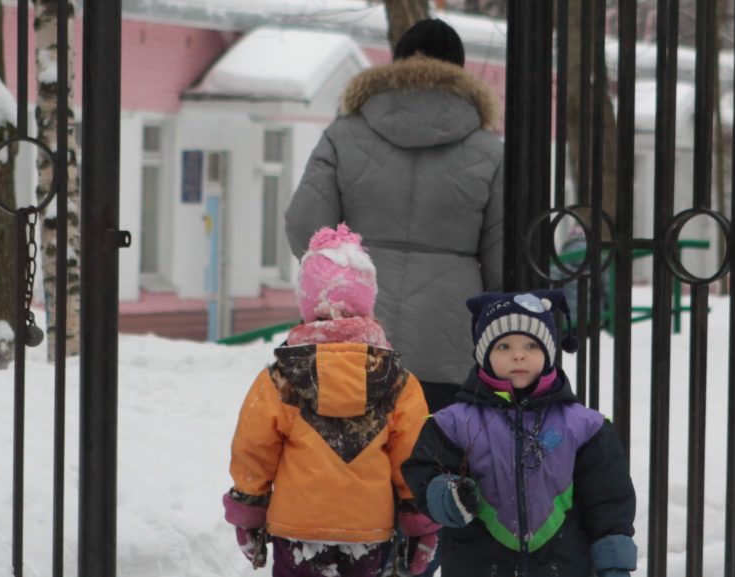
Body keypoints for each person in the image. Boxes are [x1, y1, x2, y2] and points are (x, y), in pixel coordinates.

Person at [285, 18, 505, 416]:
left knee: (358, 460)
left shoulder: (343, 134)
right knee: (437, 463)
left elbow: (306, 223)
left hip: (355, 334)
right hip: (449, 339)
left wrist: (340, 281)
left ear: (397, 63)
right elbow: (502, 253)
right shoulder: (489, 150)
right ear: (459, 69)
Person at [223, 224, 440, 577]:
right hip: (368, 530)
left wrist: (248, 509)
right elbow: (412, 456)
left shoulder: (281, 378)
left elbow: (254, 450)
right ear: (366, 303)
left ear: (308, 305)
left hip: (296, 529)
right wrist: (420, 522)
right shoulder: (397, 381)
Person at [401, 290, 638, 577]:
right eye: (503, 346)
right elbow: (424, 471)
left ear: (549, 353)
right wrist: (443, 495)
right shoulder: (453, 423)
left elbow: (608, 499)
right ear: (483, 355)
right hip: (477, 564)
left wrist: (613, 561)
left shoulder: (585, 428)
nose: (519, 354)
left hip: (563, 565)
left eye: (531, 345)